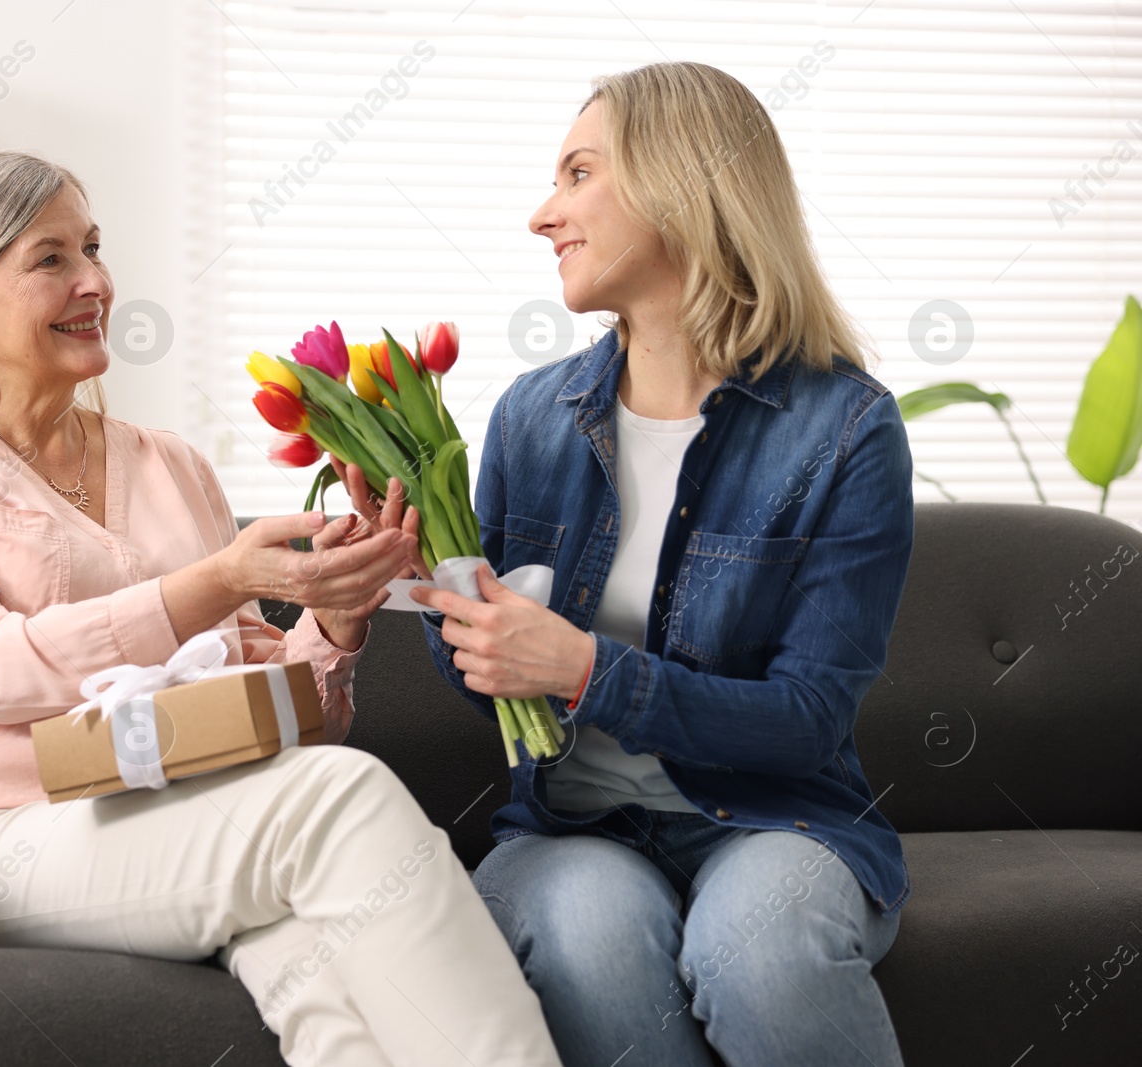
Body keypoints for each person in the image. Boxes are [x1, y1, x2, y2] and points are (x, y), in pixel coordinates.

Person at [0, 149, 563, 1067]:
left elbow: (276, 717)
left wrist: (336, 614)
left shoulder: (169, 462)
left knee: (321, 974)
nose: (95, 280)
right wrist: (218, 581)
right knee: (335, 807)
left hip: (173, 808)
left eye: (94, 248)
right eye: (50, 258)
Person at [340, 62, 914, 1066]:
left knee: (760, 949)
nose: (540, 214)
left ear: (678, 184)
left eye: (575, 174)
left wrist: (581, 669)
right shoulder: (532, 417)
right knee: (587, 940)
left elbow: (809, 719)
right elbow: (494, 703)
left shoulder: (845, 427)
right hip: (570, 828)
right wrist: (441, 582)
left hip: (774, 819)